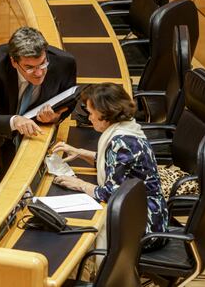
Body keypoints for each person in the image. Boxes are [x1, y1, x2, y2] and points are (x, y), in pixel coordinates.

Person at [0, 27, 77, 237]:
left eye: (42, 64)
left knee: (11, 174)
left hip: (23, 117)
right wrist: (15, 120)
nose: (38, 73)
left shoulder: (65, 63)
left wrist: (55, 117)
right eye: (29, 67)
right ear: (14, 62)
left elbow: (69, 98)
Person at [52, 83, 168, 251]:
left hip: (144, 228)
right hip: (150, 213)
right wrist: (80, 152)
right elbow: (117, 165)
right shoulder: (128, 129)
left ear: (105, 114)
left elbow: (110, 192)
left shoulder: (122, 143)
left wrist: (78, 183)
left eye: (91, 113)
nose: (89, 118)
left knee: (76, 233)